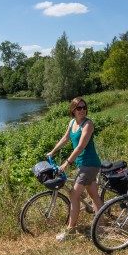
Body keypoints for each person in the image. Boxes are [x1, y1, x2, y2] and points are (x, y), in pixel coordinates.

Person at [47, 97, 103, 241]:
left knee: (74, 195)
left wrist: (67, 162)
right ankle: (100, 225)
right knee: (94, 196)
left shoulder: (88, 124)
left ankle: (70, 231)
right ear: (73, 110)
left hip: (90, 164)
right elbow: (65, 138)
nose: (82, 110)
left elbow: (81, 146)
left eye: (84, 107)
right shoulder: (72, 122)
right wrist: (52, 151)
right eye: (79, 108)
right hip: (82, 163)